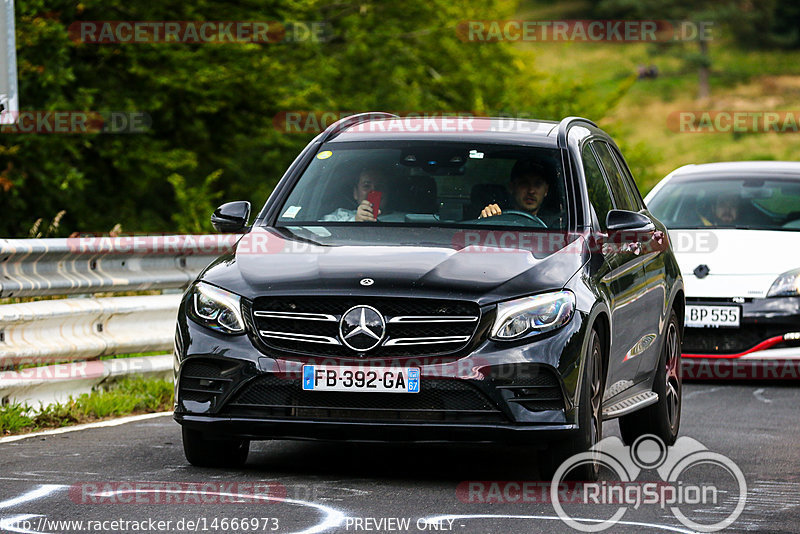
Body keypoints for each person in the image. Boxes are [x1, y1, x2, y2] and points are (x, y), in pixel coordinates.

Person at [479, 159, 551, 220]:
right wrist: (485, 220)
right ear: (512, 187)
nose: (531, 191)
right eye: (524, 183)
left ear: (546, 190)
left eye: (537, 184)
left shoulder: (556, 227)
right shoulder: (498, 218)